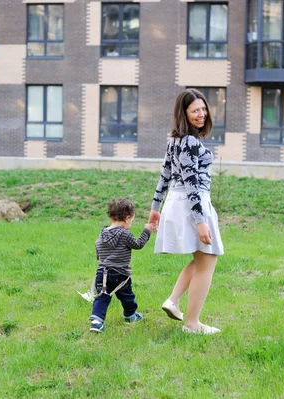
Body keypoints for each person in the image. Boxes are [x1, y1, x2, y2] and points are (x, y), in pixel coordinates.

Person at [149, 89, 224, 335]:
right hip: (193, 203)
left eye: (203, 109)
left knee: (201, 258)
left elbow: (165, 175)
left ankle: (173, 301)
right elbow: (192, 183)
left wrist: (155, 207)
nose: (201, 114)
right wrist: (201, 221)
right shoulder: (190, 142)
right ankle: (192, 324)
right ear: (184, 113)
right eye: (195, 111)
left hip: (177, 201)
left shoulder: (175, 140)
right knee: (208, 260)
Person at [89, 198, 155, 333]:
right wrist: (147, 231)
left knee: (102, 296)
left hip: (102, 273)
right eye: (132, 220)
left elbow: (98, 249)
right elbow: (138, 244)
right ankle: (130, 316)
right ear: (127, 218)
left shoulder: (102, 234)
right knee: (127, 296)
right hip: (120, 274)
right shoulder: (124, 234)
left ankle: (96, 323)